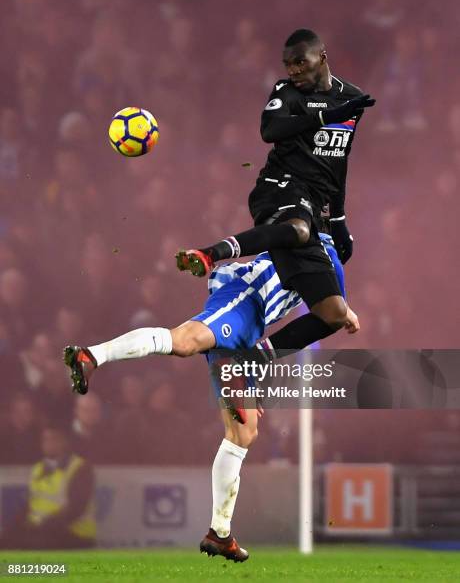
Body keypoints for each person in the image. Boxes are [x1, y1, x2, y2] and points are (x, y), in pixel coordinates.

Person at [64, 232, 359, 561]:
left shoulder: (319, 264)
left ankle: (219, 533)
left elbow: (329, 310)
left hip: (250, 324)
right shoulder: (314, 244)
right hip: (243, 298)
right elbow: (334, 307)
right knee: (185, 341)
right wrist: (347, 313)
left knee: (244, 431)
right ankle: (91, 356)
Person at [176, 28, 374, 360]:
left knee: (333, 314)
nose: (293, 70)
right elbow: (270, 130)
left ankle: (250, 361)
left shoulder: (351, 99)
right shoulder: (287, 91)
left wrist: (338, 218)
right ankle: (212, 253)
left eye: (300, 62)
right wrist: (324, 117)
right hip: (278, 187)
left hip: (312, 205)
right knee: (298, 230)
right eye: (288, 64)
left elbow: (339, 160)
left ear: (321, 57)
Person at [0, 424, 96, 550]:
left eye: (54, 439)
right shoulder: (37, 469)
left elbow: (76, 509)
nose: (49, 443)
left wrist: (41, 528)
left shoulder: (79, 468)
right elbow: (30, 505)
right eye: (45, 439)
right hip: (42, 530)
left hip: (74, 533)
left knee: (30, 545)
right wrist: (11, 530)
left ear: (64, 442)